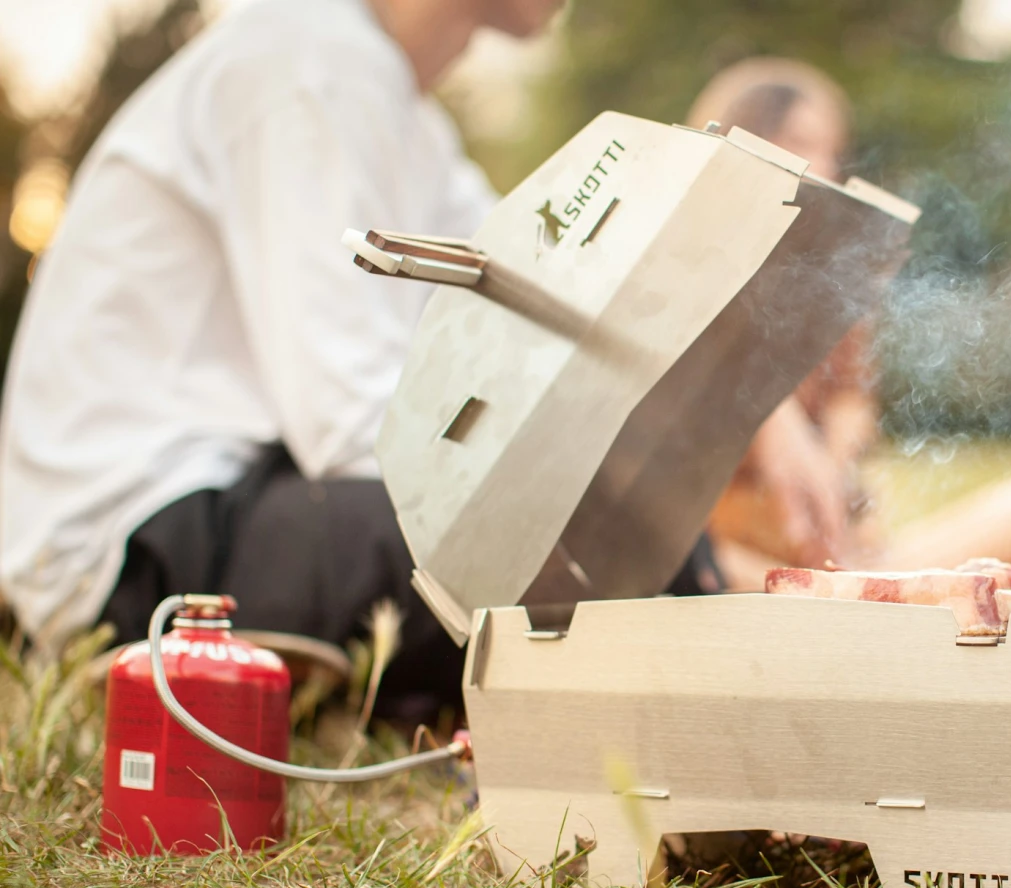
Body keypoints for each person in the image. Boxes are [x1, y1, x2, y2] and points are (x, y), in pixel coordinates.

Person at [0, 0, 667, 723]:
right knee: (577, 543)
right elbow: (351, 423)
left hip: (242, 496)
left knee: (600, 522)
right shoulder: (310, 60)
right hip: (137, 555)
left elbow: (548, 294)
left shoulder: (406, 118)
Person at [687, 58, 1011, 590]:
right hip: (722, 552)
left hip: (831, 553)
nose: (823, 167)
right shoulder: (684, 266)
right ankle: (857, 599)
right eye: (800, 142)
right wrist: (773, 423)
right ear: (741, 138)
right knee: (701, 562)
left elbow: (852, 395)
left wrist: (834, 466)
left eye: (832, 151)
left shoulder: (831, 274)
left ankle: (859, 595)